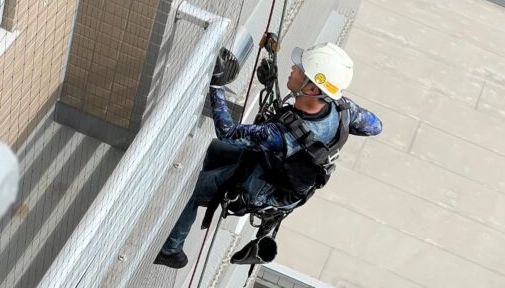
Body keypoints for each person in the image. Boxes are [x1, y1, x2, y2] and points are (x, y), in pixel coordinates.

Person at [154, 42, 382, 269]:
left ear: (311, 89)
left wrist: (216, 85)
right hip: (275, 169)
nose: (292, 68)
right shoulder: (343, 109)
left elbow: (228, 131)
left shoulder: (282, 136)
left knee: (194, 190)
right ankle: (217, 178)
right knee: (215, 151)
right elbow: (375, 126)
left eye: (299, 69)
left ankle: (171, 251)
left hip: (262, 188)